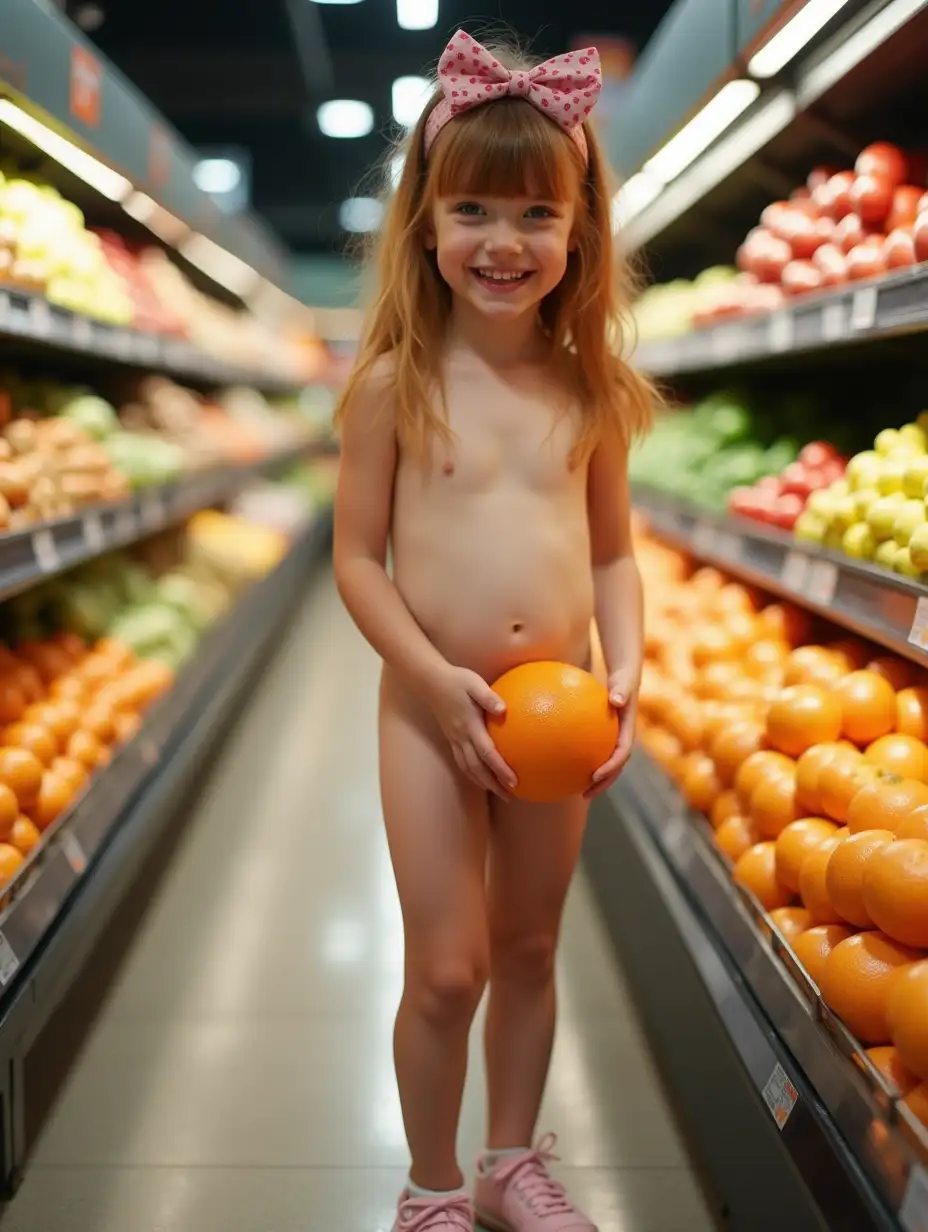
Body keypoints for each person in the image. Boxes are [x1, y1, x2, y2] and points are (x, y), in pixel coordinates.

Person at [333, 27, 654, 1232]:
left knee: (528, 946)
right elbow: (357, 559)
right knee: (447, 963)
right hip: (428, 703)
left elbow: (614, 550)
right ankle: (428, 1187)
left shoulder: (592, 388)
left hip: (561, 705)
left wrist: (624, 664)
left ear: (578, 235)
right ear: (424, 224)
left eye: (534, 214)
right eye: (471, 208)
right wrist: (428, 675)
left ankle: (508, 1162)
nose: (502, 242)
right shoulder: (391, 385)